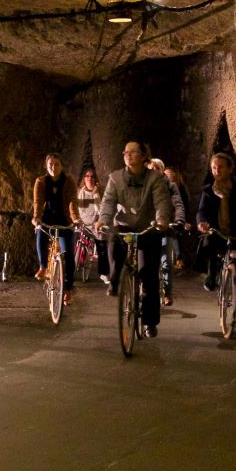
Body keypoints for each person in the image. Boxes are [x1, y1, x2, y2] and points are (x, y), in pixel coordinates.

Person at [95, 141, 172, 337]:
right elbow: (109, 201)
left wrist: (161, 220)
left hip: (148, 228)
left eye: (133, 152)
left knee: (148, 275)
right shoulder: (115, 178)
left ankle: (149, 321)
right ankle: (114, 281)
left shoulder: (155, 179)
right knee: (112, 241)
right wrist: (103, 220)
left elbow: (162, 201)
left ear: (143, 156)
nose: (128, 155)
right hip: (125, 225)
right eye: (125, 152)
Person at [195, 152, 236, 331]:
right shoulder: (208, 190)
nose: (217, 171)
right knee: (208, 242)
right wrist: (202, 223)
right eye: (214, 167)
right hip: (219, 232)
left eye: (221, 167)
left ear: (230, 168)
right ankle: (211, 273)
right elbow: (202, 211)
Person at [32, 153, 77, 305]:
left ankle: (68, 289)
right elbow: (38, 202)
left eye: (56, 164)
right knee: (40, 234)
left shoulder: (68, 181)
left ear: (61, 166)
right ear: (47, 166)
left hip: (65, 221)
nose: (53, 167)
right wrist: (37, 218)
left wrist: (75, 218)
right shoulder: (41, 182)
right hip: (47, 220)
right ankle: (43, 267)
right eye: (50, 164)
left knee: (69, 255)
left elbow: (72, 201)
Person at [148, 157, 185, 306]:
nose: (153, 171)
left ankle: (167, 293)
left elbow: (177, 203)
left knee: (166, 262)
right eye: (151, 168)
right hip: (147, 228)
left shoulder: (170, 186)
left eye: (157, 168)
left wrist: (179, 220)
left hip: (164, 228)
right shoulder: (142, 184)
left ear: (162, 171)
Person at [72, 167, 107, 285]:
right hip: (82, 222)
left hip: (96, 224)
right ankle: (71, 268)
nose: (90, 178)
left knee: (102, 245)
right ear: (84, 179)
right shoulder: (79, 192)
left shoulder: (100, 192)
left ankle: (103, 272)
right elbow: (74, 206)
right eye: (87, 176)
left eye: (92, 176)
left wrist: (101, 221)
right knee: (73, 241)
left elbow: (104, 208)